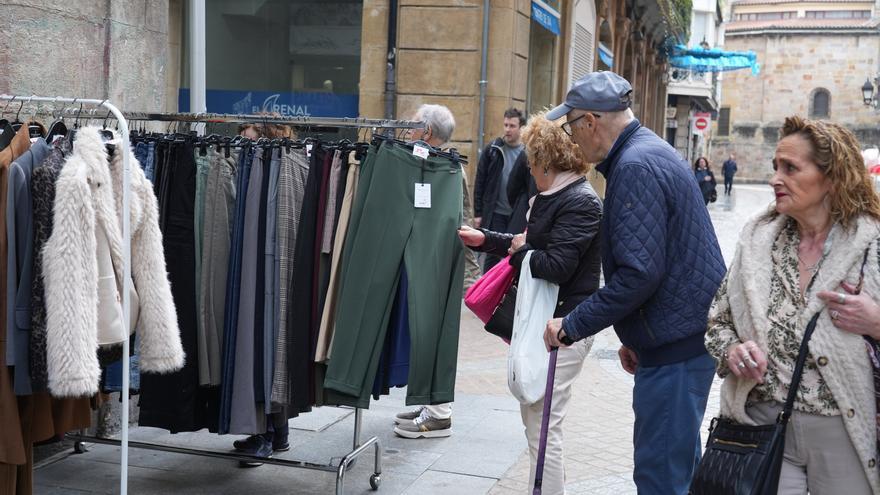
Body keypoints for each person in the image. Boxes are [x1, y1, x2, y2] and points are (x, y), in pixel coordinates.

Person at [542, 71, 726, 494]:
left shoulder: (635, 166)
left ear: (590, 122)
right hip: (679, 340)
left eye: (571, 125)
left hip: (677, 348)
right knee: (676, 470)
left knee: (661, 478)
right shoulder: (648, 152)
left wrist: (571, 325)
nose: (572, 138)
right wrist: (639, 337)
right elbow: (661, 259)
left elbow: (639, 273)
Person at [705, 116, 880, 493]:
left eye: (790, 168)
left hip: (844, 432)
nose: (775, 179)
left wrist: (877, 322)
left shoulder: (872, 243)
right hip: (764, 428)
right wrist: (733, 350)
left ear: (832, 177)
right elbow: (717, 321)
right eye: (774, 167)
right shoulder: (757, 240)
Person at [458, 111, 602, 494]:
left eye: (530, 160)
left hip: (563, 327)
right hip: (550, 323)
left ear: (543, 160)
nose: (528, 168)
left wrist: (521, 252)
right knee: (537, 422)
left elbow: (555, 264)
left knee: (543, 426)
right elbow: (528, 243)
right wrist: (486, 238)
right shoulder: (559, 195)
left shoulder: (580, 202)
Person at [394, 103, 460, 439]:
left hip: (437, 260)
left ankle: (439, 414)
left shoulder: (442, 168)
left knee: (434, 328)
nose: (407, 132)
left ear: (428, 133)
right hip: (433, 257)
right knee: (425, 329)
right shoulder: (436, 164)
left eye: (413, 126)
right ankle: (429, 404)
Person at [474, 108, 527, 272]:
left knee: (512, 254)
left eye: (512, 126)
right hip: (496, 212)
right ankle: (487, 291)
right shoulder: (493, 149)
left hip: (516, 214)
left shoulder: (527, 152)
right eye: (505, 125)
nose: (507, 129)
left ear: (521, 127)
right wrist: (478, 213)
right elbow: (480, 180)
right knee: (492, 253)